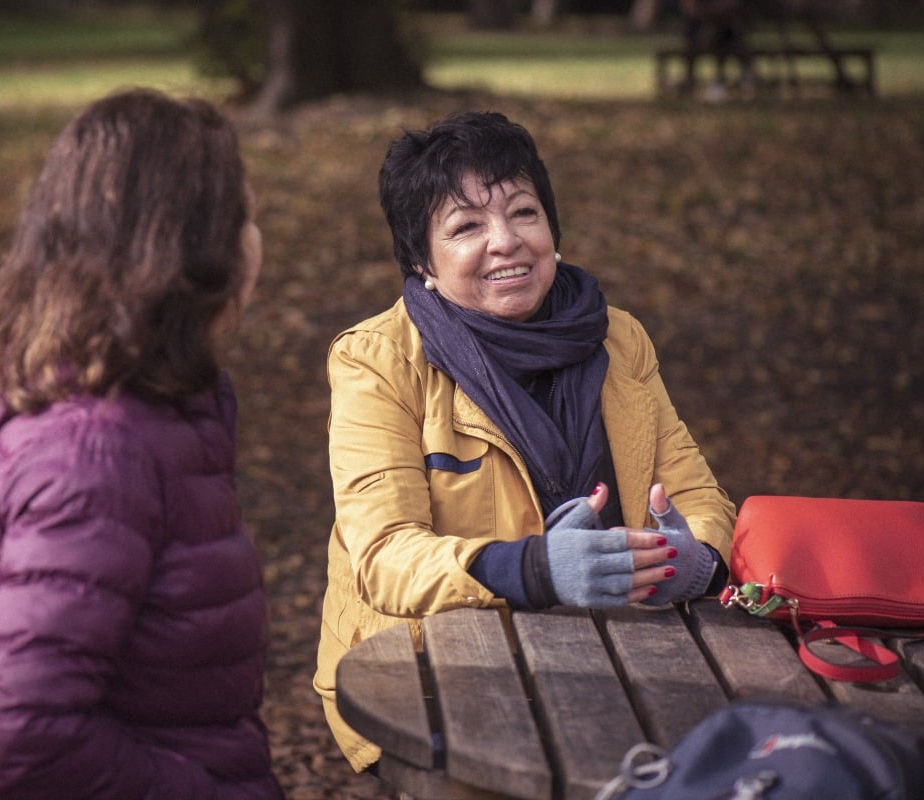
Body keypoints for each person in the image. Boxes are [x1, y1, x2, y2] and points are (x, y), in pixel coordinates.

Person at [314, 111, 737, 773]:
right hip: (431, 672)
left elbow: (701, 500)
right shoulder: (378, 361)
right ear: (423, 259)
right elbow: (385, 556)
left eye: (523, 213)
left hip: (623, 653)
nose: (506, 241)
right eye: (467, 226)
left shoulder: (617, 338)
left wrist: (696, 557)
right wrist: (534, 567)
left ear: (553, 230)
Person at [0, 88, 282, 800]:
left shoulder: (155, 408)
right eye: (244, 216)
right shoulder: (95, 452)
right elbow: (23, 741)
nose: (255, 237)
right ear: (188, 247)